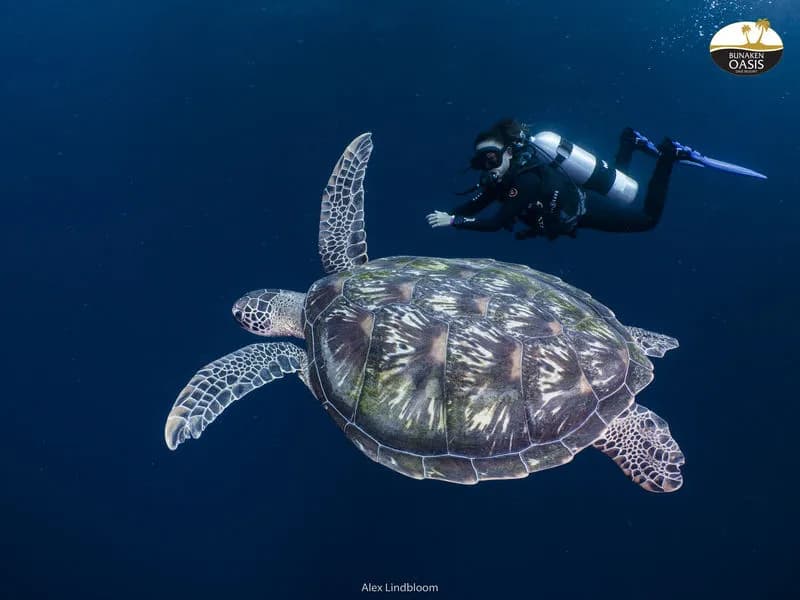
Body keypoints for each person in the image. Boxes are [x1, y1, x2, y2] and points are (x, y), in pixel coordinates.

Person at [426, 118, 765, 240]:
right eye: (481, 161)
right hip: (580, 192)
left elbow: (497, 222)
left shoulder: (524, 182)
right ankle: (628, 142)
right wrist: (454, 212)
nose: (487, 166)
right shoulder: (503, 179)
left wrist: (454, 221)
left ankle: (669, 157)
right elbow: (479, 202)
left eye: (492, 158)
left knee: (646, 219)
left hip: (583, 210)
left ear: (510, 153)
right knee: (619, 184)